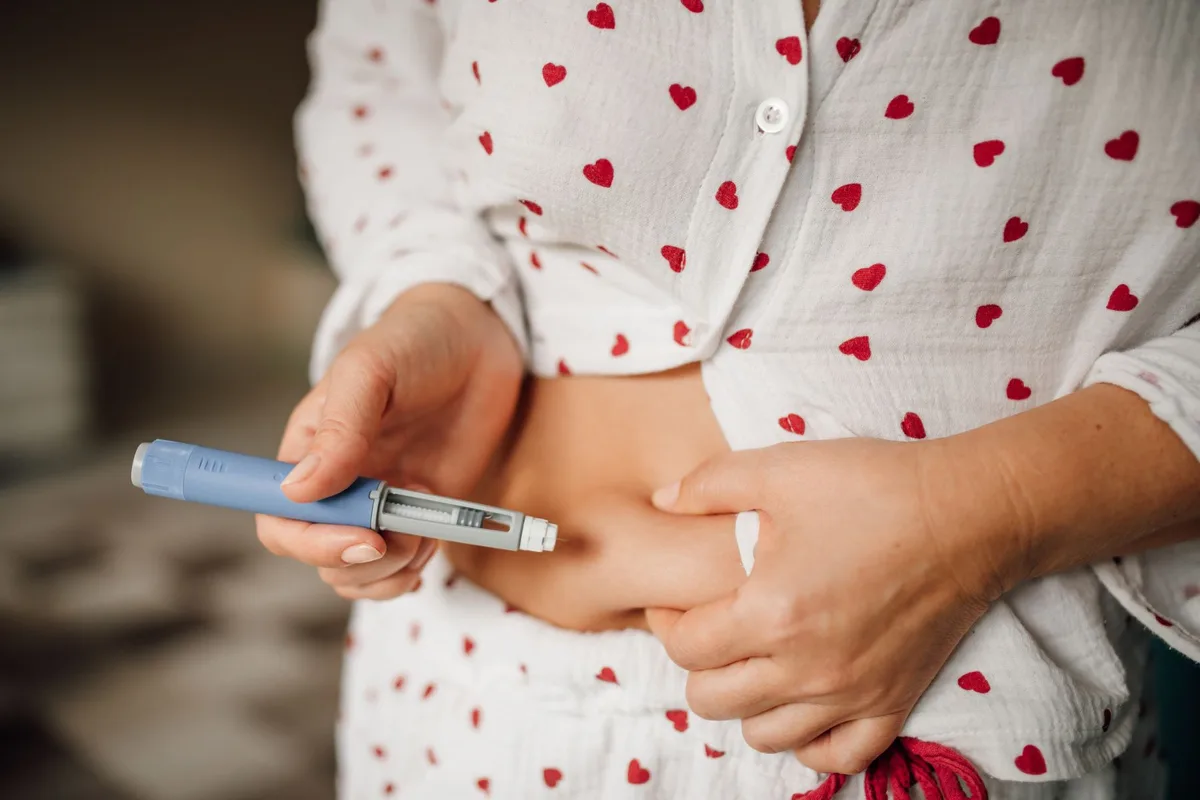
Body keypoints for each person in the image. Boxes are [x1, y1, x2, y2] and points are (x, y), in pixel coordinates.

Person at [256, 0, 1200, 797]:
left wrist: (997, 509)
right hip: (459, 701)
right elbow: (383, 80)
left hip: (910, 733)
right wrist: (437, 295)